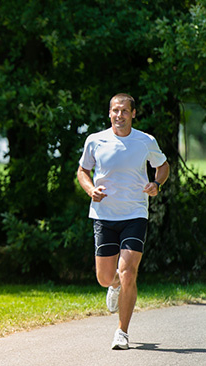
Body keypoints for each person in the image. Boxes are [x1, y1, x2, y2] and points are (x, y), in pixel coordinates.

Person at [77, 93, 170, 350]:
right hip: (104, 215)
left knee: (129, 271)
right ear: (109, 113)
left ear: (133, 113)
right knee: (105, 278)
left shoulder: (145, 141)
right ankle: (114, 284)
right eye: (115, 111)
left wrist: (156, 183)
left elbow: (163, 166)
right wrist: (89, 190)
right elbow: (83, 170)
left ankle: (122, 332)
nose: (120, 115)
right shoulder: (95, 141)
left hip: (135, 214)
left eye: (125, 111)